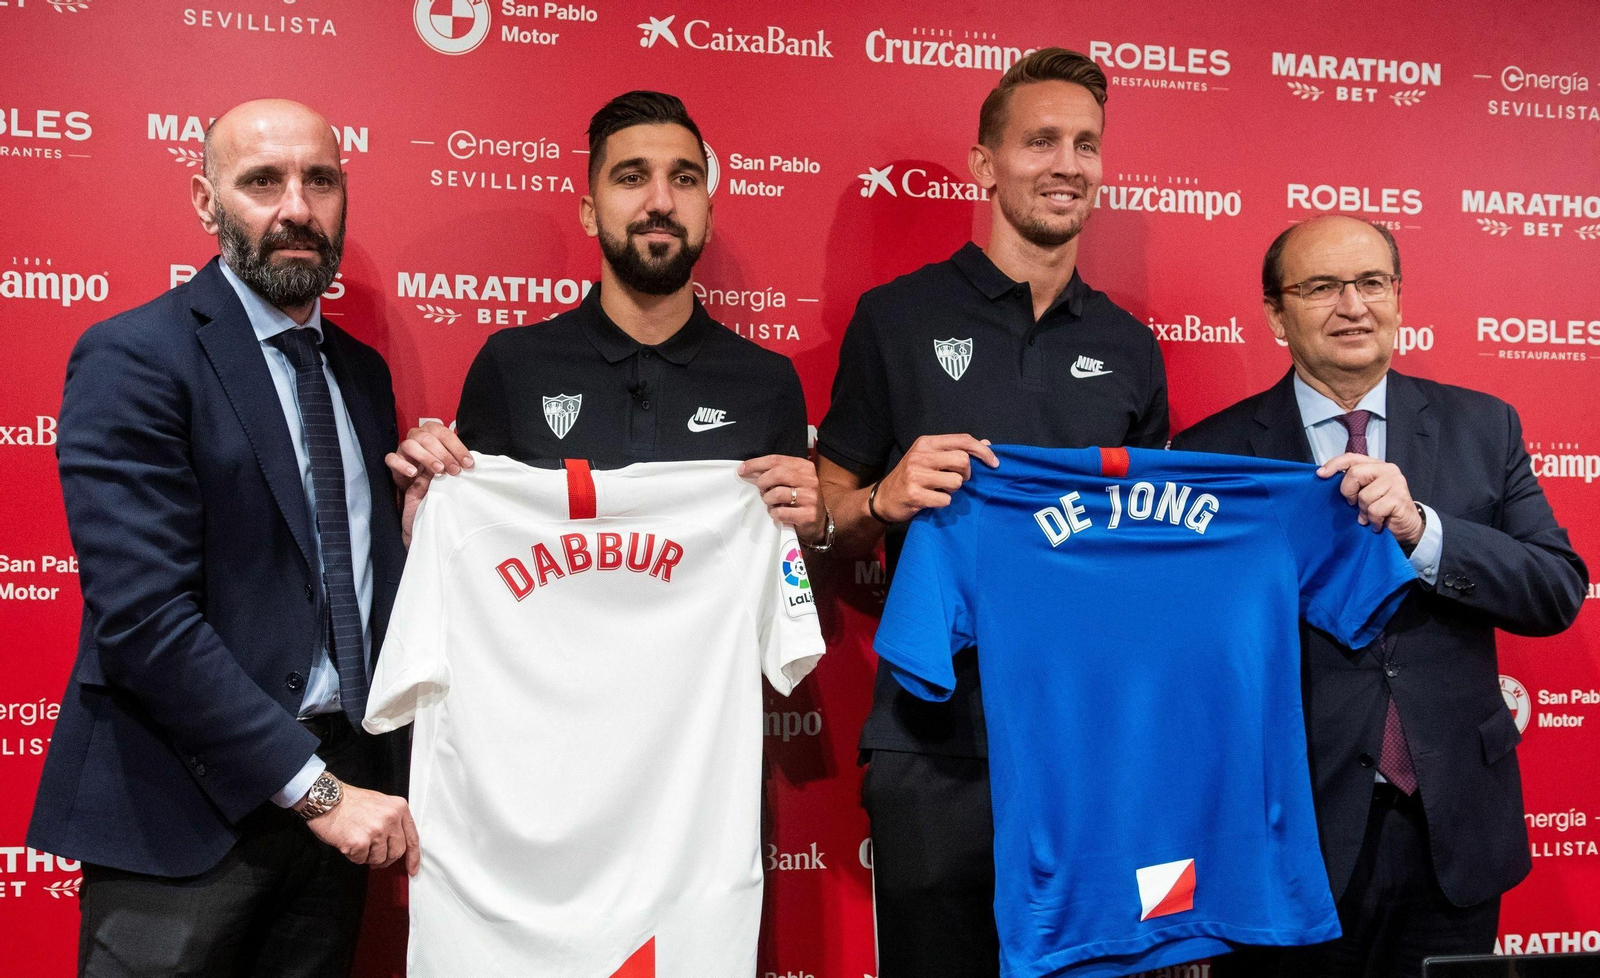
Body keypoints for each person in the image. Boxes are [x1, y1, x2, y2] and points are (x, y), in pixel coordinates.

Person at [29, 99, 418, 977]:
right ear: (205, 201)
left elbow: (333, 571)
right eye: (262, 181)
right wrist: (314, 792)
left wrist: (420, 521)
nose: (296, 208)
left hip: (341, 802)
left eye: (319, 180)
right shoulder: (135, 355)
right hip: (179, 815)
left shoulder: (359, 372)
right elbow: (143, 621)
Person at [813, 49, 1169, 977]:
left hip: (1091, 733)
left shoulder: (1131, 347)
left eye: (1086, 145)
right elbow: (822, 510)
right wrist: (879, 500)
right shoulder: (895, 316)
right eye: (1041, 140)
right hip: (937, 730)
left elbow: (1157, 549)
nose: (1068, 163)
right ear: (984, 164)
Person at [1172, 214, 1587, 978]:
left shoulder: (1483, 425)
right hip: (1285, 836)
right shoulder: (1209, 455)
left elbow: (1556, 589)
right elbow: (1186, 657)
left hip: (1453, 832)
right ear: (1275, 312)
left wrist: (1423, 530)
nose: (1352, 305)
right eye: (1322, 286)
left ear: (1398, 297)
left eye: (1372, 283)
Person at [390, 90, 825, 549]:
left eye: (684, 179)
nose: (661, 202)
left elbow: (785, 581)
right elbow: (473, 551)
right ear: (590, 214)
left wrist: (816, 532)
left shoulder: (768, 384)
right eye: (633, 177)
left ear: (709, 217)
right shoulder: (510, 366)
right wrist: (425, 521)